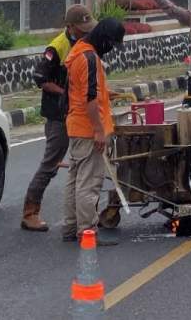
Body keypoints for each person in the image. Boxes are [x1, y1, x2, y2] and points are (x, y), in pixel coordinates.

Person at [21, 5, 97, 232]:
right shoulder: (56, 47)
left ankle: (82, 215)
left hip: (78, 113)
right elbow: (40, 78)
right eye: (81, 28)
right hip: (58, 115)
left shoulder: (84, 44)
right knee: (51, 163)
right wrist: (66, 93)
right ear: (70, 26)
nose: (85, 32)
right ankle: (30, 212)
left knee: (81, 163)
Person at [62, 17, 126, 245]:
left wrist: (107, 95)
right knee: (89, 183)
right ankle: (87, 232)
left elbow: (86, 92)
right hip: (89, 129)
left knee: (76, 179)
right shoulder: (89, 58)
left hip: (76, 126)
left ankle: (70, 227)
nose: (111, 48)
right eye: (112, 43)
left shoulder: (78, 51)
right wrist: (99, 131)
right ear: (104, 38)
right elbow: (89, 99)